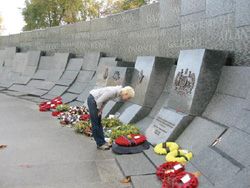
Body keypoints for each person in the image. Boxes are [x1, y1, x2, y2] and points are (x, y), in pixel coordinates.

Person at [87, 85, 135, 150]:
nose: (127, 99)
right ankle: (100, 144)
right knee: (95, 123)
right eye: (128, 97)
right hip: (93, 100)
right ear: (125, 93)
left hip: (96, 101)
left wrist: (100, 110)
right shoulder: (113, 92)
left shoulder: (117, 93)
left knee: (99, 123)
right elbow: (100, 101)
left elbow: (105, 101)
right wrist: (98, 110)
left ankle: (102, 141)